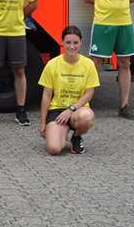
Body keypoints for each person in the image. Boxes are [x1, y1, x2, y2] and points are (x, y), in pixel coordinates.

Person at [38, 26, 99, 155]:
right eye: (68, 42)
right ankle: (61, 130)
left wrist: (71, 109)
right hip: (57, 111)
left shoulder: (88, 64)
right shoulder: (52, 64)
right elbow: (46, 95)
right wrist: (43, 123)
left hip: (78, 110)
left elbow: (89, 94)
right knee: (54, 149)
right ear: (62, 42)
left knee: (87, 117)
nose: (72, 46)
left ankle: (76, 136)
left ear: (81, 42)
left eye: (75, 43)